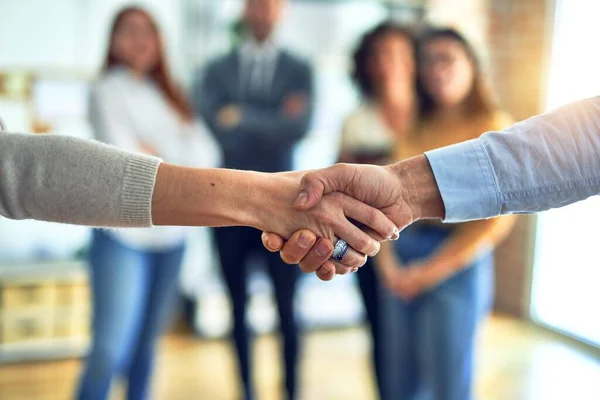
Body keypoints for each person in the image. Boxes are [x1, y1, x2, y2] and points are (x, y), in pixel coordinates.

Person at [76, 7, 221, 399]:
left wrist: (157, 155)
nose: (140, 40)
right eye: (129, 32)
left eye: (148, 32)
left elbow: (207, 154)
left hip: (170, 239)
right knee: (109, 348)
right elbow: (125, 160)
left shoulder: (172, 92)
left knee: (146, 350)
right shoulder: (106, 89)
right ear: (113, 41)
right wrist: (172, 160)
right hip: (123, 238)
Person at [370, 28, 515, 399]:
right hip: (402, 254)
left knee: (449, 382)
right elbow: (385, 199)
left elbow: (495, 222)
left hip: (455, 263)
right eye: (429, 61)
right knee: (397, 381)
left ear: (471, 64)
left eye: (447, 58)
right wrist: (386, 266)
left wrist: (429, 272)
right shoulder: (416, 125)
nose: (437, 70)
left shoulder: (493, 127)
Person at [192, 0, 313, 398]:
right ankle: (245, 390)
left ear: (282, 11)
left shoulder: (300, 69)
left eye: (270, 5)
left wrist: (240, 115)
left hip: (287, 207)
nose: (262, 12)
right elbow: (219, 130)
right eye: (255, 5)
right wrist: (272, 118)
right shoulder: (215, 69)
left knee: (288, 307)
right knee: (236, 306)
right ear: (243, 10)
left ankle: (291, 391)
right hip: (228, 206)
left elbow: (296, 129)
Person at [336, 23, 417, 398]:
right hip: (373, 244)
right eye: (380, 55)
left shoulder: (432, 116)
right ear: (366, 65)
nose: (390, 64)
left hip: (425, 244)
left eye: (399, 53)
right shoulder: (356, 122)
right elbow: (339, 189)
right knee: (383, 335)